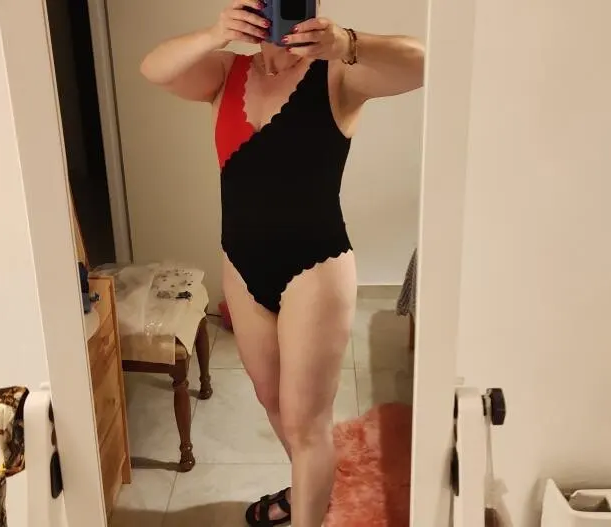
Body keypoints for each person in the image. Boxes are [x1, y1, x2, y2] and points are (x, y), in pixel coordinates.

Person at [141, 2, 424, 525]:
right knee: (271, 399)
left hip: (314, 266)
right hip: (241, 263)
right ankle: (311, 488)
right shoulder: (225, 72)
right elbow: (154, 68)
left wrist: (347, 41)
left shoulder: (338, 73)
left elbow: (425, 62)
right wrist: (216, 32)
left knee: (306, 421)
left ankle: (311, 500)